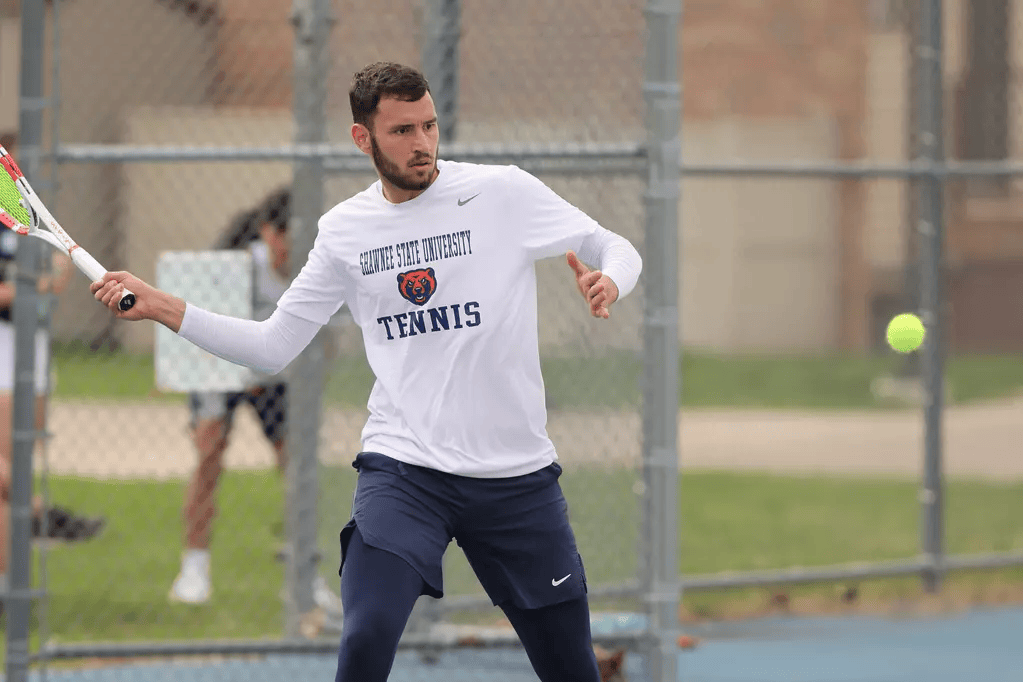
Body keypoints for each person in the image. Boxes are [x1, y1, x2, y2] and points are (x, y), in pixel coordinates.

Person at [92, 62, 642, 682]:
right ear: (364, 139)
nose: (423, 144)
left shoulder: (501, 193)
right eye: (403, 130)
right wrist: (163, 305)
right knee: (367, 636)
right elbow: (274, 345)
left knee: (570, 668)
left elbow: (612, 245)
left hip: (515, 478)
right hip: (405, 471)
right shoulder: (343, 232)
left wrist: (610, 281)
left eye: (429, 126)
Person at [169, 188, 292, 604]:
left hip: (273, 375)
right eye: (288, 236)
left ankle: (307, 569)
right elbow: (199, 323)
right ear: (269, 234)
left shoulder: (311, 267)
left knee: (298, 465)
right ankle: (194, 569)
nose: (293, 248)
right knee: (208, 457)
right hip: (221, 371)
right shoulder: (237, 265)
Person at [1, 132, 105, 606]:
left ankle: (34, 526)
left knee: (29, 443)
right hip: (4, 339)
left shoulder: (30, 214)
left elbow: (53, 281)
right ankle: (24, 551)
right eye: (17, 165)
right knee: (7, 465)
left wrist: (52, 281)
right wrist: (34, 285)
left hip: (34, 337)